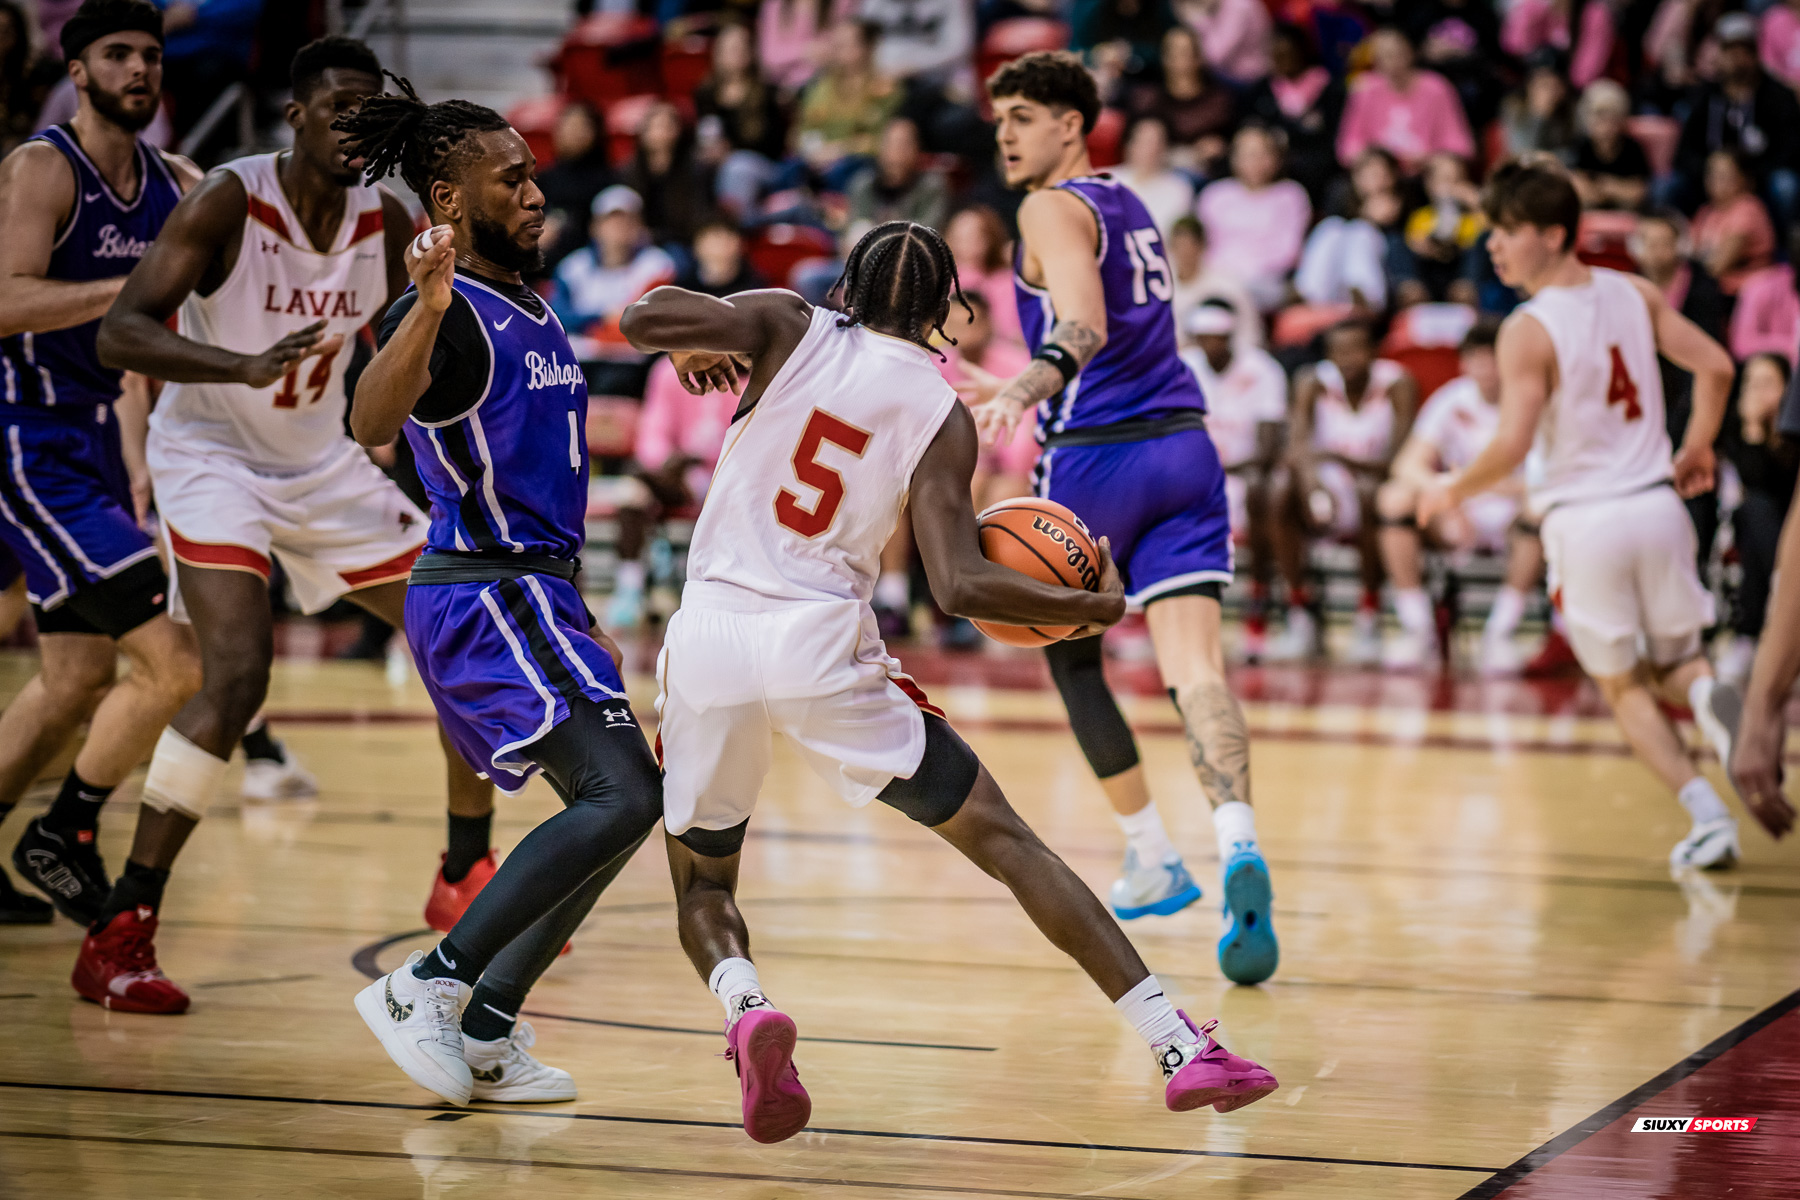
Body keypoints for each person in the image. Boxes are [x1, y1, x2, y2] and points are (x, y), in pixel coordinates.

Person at [619, 221, 1278, 1143]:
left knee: (701, 881)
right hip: (820, 648)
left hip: (709, 641)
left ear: (847, 287)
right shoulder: (940, 410)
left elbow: (642, 316)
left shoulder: (785, 321)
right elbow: (961, 586)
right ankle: (1177, 1045)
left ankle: (746, 1006)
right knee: (1008, 842)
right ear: (945, 313)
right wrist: (1094, 607)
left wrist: (699, 344)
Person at [97, 36, 505, 985]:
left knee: (460, 632)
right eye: (336, 110)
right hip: (213, 460)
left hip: (322, 464)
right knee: (238, 675)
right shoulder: (229, 198)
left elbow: (418, 344)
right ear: (296, 117)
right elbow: (122, 331)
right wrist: (238, 365)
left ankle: (462, 872)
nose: (354, 129)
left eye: (369, 113)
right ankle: (124, 921)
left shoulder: (385, 220)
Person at [335, 79, 664, 1108]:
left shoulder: (532, 302)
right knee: (623, 795)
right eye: (510, 179)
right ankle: (429, 983)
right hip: (483, 592)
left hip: (539, 592)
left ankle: (486, 1027)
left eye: (532, 175)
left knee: (624, 803)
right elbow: (368, 422)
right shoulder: (442, 310)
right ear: (447, 198)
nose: (534, 192)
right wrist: (424, 309)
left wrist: (583, 608)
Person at [960, 52, 1280, 986]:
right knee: (1197, 669)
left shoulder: (1045, 207)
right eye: (999, 118)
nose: (1004, 134)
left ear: (1072, 125)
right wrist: (1012, 372)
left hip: (1096, 459)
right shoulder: (1131, 203)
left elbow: (1085, 327)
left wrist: (1020, 389)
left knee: (1069, 656)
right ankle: (1239, 839)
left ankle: (1152, 854)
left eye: (1022, 116)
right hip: (1185, 450)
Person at [1419, 159, 1745, 871]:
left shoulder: (1527, 328)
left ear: (1554, 234)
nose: (1494, 245)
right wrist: (1697, 445)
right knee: (1679, 661)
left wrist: (1450, 489)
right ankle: (1711, 696)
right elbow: (1719, 367)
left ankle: (1709, 816)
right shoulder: (1635, 291)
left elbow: (1512, 445)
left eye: (1507, 231)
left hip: (1586, 519)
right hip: (1659, 506)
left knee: (1623, 685)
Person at [0, 1, 210, 966]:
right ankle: (64, 832)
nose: (139, 70)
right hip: (26, 436)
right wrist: (127, 294)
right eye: (117, 54)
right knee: (176, 663)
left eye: (151, 56)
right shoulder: (43, 169)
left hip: (92, 438)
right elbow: (6, 299)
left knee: (76, 678)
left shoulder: (176, 183)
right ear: (76, 71)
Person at [1375, 318, 1541, 673]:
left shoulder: (1531, 398)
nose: (1485, 368)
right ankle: (1417, 627)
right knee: (1394, 499)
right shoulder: (1452, 399)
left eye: (1492, 358)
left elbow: (1551, 478)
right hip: (1460, 508)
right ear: (1463, 363)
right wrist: (1444, 494)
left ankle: (1501, 632)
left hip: (1514, 509)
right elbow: (1406, 465)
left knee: (1541, 507)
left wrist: (1465, 487)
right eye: (1476, 358)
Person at [1268, 321, 1419, 664]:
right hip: (1327, 487)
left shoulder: (1397, 383)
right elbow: (1297, 448)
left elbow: (1398, 460)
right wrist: (1313, 485)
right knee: (1280, 490)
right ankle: (1299, 610)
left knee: (1370, 492)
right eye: (1338, 351)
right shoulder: (1312, 381)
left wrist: (1340, 459)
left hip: (1374, 486)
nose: (1347, 358)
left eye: (1355, 349)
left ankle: (1369, 614)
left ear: (1374, 352)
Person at [1179, 300, 1285, 661]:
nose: (1211, 345)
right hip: (1194, 477)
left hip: (1243, 476)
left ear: (1230, 336)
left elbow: (1269, 448)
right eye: (1203, 337)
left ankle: (1258, 606)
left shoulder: (1263, 370)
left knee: (1262, 491)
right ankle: (1155, 612)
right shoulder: (1182, 367)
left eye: (1218, 337)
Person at [1714, 354, 1798, 682]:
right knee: (1752, 513)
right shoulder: (1735, 434)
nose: (1758, 392)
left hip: (1791, 535)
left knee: (1758, 510)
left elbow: (1781, 485)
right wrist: (1752, 429)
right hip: (1757, 545)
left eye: (1767, 383)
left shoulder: (1793, 442)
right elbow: (1752, 481)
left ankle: (1754, 633)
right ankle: (1749, 635)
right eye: (1751, 384)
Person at [1195, 125, 1310, 313]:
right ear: (1234, 158)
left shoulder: (1291, 195)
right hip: (1216, 277)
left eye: (1262, 154)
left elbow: (1289, 251)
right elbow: (1201, 243)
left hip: (1266, 281)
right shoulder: (1215, 194)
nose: (1255, 161)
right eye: (1248, 154)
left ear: (1276, 158)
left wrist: (1243, 273)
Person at [1335, 27, 1474, 173]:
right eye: (1385, 56)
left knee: (1448, 168)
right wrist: (1374, 159)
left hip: (1427, 168)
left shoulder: (1436, 87)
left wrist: (1430, 158)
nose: (1393, 62)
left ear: (1411, 53)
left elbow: (1457, 141)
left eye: (1397, 54)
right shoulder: (1364, 88)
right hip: (1380, 169)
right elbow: (1349, 144)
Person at [1690, 149, 1776, 297]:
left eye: (1724, 175)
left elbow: (1719, 265)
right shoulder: (1705, 211)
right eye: (1711, 174)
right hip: (1715, 289)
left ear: (1743, 178)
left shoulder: (1748, 208)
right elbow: (1692, 254)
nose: (1715, 181)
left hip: (1747, 292)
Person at [845, 117, 949, 235]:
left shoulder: (931, 187)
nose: (897, 152)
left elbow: (928, 234)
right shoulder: (863, 184)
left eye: (904, 145)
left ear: (917, 149)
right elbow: (853, 231)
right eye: (891, 144)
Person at [1167, 216, 1260, 349]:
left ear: (1202, 246)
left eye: (1190, 245)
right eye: (1179, 246)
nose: (1185, 252)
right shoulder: (1163, 291)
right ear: (1170, 248)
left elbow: (1250, 334)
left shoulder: (1227, 287)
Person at [1570, 79, 1649, 212]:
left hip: (1625, 211)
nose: (1606, 126)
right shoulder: (1582, 146)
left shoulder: (1632, 147)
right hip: (1591, 209)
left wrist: (1611, 188)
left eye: (1612, 118)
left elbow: (1639, 191)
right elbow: (1576, 184)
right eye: (1600, 117)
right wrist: (1599, 192)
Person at [1112, 116, 1194, 241]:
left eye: (1157, 142)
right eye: (1144, 141)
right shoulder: (1103, 180)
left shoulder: (1180, 189)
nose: (1151, 149)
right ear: (1128, 144)